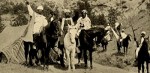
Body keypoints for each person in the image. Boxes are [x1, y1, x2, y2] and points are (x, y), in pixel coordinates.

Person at [23, 1, 48, 66]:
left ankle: (40, 59)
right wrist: (28, 5)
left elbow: (46, 25)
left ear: (42, 11)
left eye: (41, 10)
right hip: (35, 33)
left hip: (41, 33)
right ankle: (33, 60)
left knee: (44, 44)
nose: (40, 11)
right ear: (37, 10)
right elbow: (30, 11)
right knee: (34, 47)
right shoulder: (34, 14)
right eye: (39, 10)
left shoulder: (43, 18)